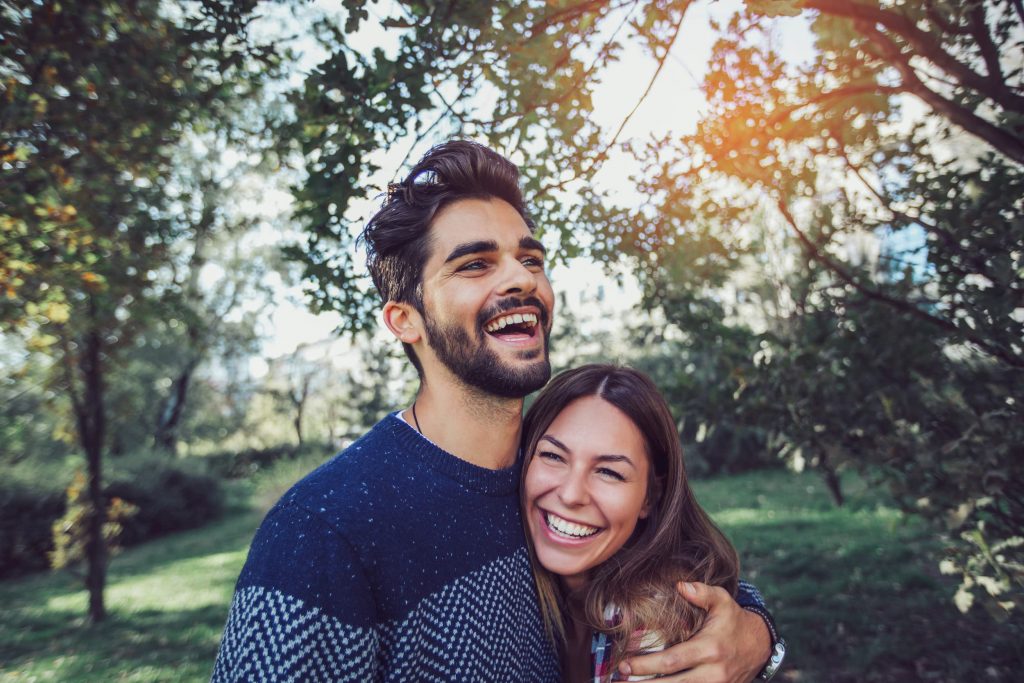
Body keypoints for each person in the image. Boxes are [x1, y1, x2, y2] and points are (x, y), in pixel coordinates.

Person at [211, 140, 779, 682]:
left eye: (529, 258)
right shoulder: (324, 530)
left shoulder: (552, 475)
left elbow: (675, 558)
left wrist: (756, 633)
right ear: (404, 319)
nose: (521, 278)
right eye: (475, 264)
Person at [520, 364, 785, 682]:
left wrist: (760, 637)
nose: (571, 493)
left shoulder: (653, 630)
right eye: (553, 456)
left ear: (649, 497)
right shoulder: (506, 569)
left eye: (609, 472)